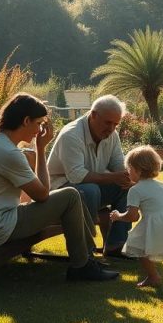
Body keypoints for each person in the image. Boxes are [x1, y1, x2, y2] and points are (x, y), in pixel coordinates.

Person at [0, 93, 118, 282]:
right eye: (38, 124)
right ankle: (83, 264)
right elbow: (43, 195)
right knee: (70, 195)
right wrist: (41, 148)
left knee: (72, 195)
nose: (38, 131)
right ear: (26, 120)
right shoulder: (8, 152)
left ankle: (86, 258)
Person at [47, 94, 134, 258]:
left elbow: (118, 165)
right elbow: (76, 176)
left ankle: (116, 246)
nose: (111, 128)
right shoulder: (71, 135)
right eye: (108, 122)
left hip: (88, 191)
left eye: (115, 124)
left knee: (126, 187)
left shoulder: (112, 135)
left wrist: (133, 177)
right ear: (93, 115)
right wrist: (115, 177)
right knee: (90, 190)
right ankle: (86, 252)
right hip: (59, 193)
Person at [110, 146, 163, 288]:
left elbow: (133, 216)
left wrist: (118, 216)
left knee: (140, 248)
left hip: (154, 224)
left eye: (129, 169)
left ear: (137, 170)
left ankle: (153, 276)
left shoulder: (135, 190)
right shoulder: (161, 185)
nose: (127, 172)